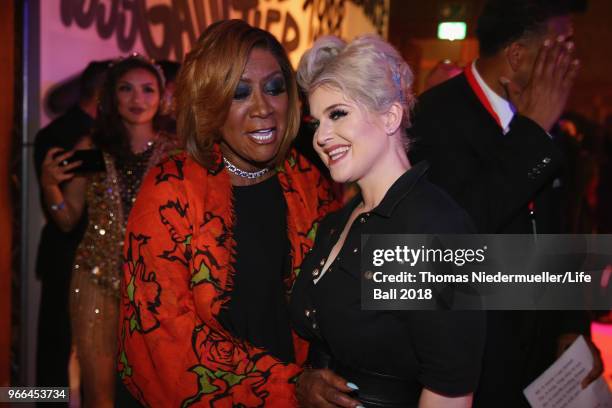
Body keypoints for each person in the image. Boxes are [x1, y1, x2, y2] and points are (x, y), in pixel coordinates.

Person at [117, 20, 338, 407]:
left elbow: (345, 295)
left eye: (274, 88)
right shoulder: (171, 190)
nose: (263, 108)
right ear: (208, 103)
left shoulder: (308, 183)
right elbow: (166, 335)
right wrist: (289, 386)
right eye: (239, 93)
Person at [409, 1, 602, 406]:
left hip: (541, 367)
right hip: (474, 368)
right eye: (560, 49)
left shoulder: (550, 128)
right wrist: (531, 132)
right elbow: (455, 237)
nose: (572, 62)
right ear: (517, 54)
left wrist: (571, 323)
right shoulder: (434, 118)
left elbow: (558, 234)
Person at [290, 35, 486, 408]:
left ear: (390, 116)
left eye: (338, 114)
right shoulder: (342, 220)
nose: (321, 137)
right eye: (316, 122)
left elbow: (449, 391)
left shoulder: (428, 227)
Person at [40, 54, 175, 407]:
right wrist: (50, 187)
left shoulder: (177, 153)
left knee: (157, 392)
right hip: (94, 280)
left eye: (148, 90)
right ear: (112, 97)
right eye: (126, 89)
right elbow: (68, 219)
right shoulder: (92, 147)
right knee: (99, 396)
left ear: (162, 97)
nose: (137, 99)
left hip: (157, 287)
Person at [34, 60, 108, 392]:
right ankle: (32, 399)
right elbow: (61, 210)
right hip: (68, 256)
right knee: (56, 349)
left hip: (96, 259)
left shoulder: (116, 137)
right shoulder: (68, 136)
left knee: (69, 351)